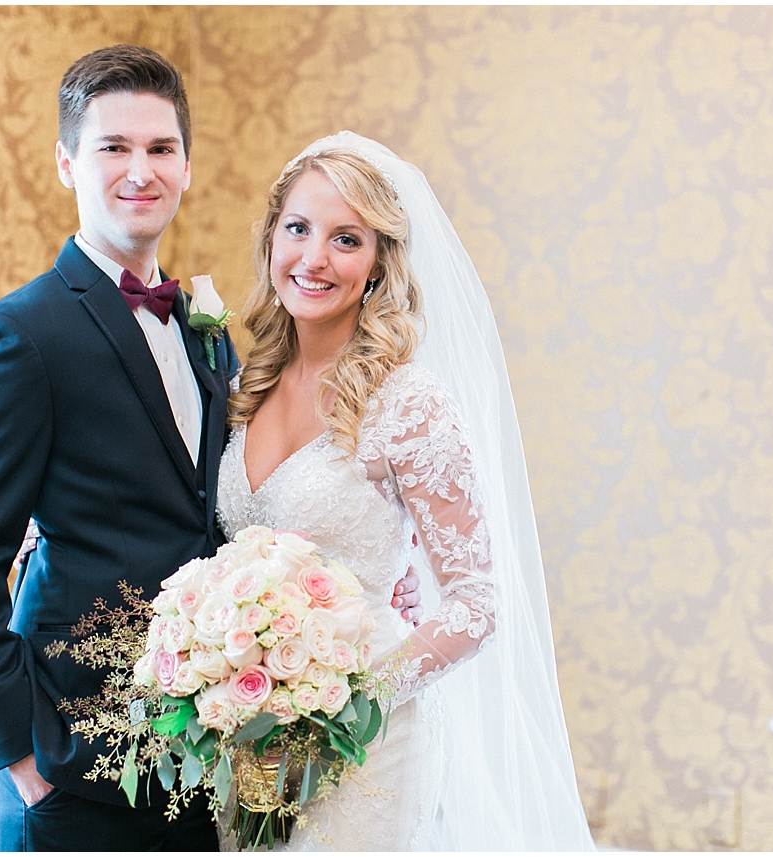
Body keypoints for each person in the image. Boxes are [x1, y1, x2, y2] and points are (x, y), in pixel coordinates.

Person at [0, 45, 423, 851]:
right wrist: (19, 753)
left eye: (161, 148)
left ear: (187, 167)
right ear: (65, 162)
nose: (139, 170)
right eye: (112, 147)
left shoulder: (209, 336)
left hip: (201, 752)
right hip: (71, 760)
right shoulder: (18, 335)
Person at [216, 133, 596, 850]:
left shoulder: (408, 401)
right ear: (272, 239)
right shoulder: (245, 387)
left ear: (380, 262)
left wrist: (343, 704)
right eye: (298, 229)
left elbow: (478, 601)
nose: (314, 257)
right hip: (252, 732)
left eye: (346, 238)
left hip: (368, 740)